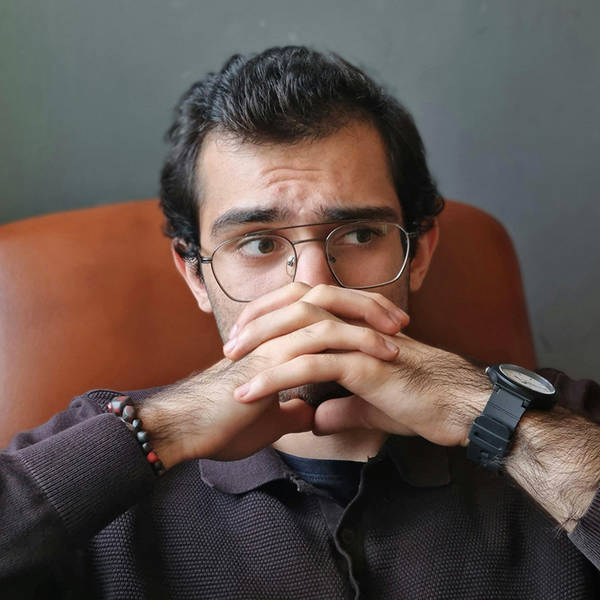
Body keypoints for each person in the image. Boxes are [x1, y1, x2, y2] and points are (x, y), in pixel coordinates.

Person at [1, 46, 600, 599]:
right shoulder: (102, 443)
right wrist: (162, 431)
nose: (313, 288)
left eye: (360, 235)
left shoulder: (564, 418)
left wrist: (495, 418)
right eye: (259, 243)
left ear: (418, 254)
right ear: (195, 276)